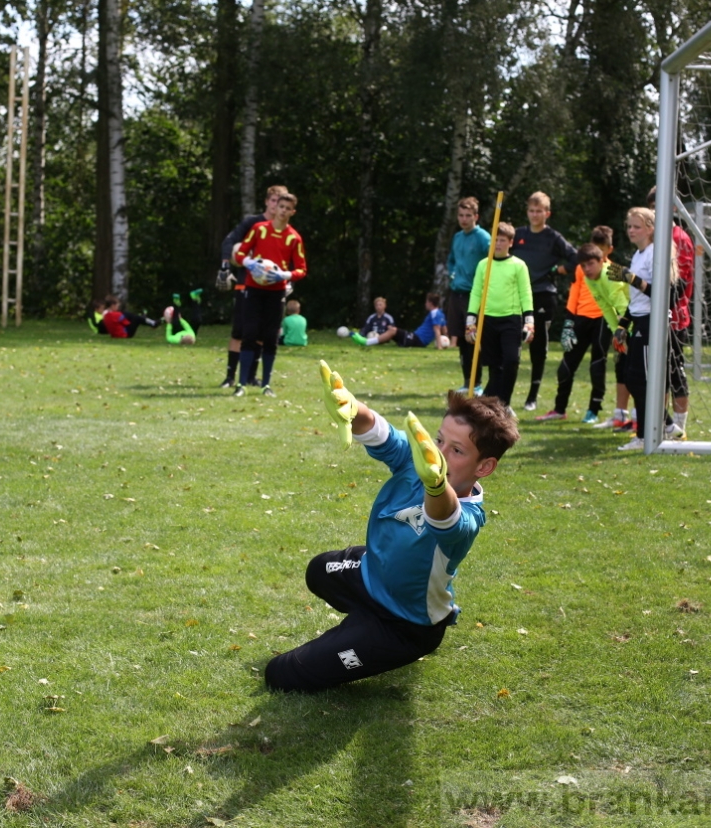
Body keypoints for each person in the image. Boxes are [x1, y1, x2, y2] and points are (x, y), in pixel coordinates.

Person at [264, 361, 520, 693]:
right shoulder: (420, 460)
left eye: (456, 451)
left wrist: (436, 485)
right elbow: (379, 431)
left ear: (484, 466)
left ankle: (364, 637)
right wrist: (351, 407)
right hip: (373, 575)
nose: (439, 455)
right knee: (317, 571)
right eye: (439, 440)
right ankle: (360, 624)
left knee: (282, 674)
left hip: (406, 626)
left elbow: (444, 516)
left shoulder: (467, 518)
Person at [606, 206, 685, 451]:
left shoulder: (655, 254)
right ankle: (667, 424)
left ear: (650, 229)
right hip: (639, 321)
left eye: (636, 226)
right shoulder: (638, 255)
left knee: (642, 379)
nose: (631, 230)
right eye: (629, 226)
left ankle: (647, 434)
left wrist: (631, 279)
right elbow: (637, 299)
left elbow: (664, 295)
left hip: (654, 322)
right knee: (632, 377)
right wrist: (623, 324)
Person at [535, 233, 627, 423]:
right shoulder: (583, 270)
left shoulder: (612, 272)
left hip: (603, 320)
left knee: (597, 365)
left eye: (602, 248)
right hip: (581, 319)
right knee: (566, 366)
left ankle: (593, 410)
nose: (587, 268)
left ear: (608, 251)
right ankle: (559, 409)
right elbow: (574, 294)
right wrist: (569, 322)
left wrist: (621, 329)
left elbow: (619, 305)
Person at [232, 193, 307, 397]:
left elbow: (302, 269)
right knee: (249, 334)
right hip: (254, 289)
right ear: (275, 208)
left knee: (270, 337)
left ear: (292, 212)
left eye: (287, 208)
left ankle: (266, 385)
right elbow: (239, 253)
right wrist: (248, 263)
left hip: (276, 292)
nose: (282, 210)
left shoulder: (294, 238)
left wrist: (285, 274)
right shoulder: (259, 229)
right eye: (280, 206)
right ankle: (241, 385)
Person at [219, 185, 288, 387]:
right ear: (267, 201)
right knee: (240, 332)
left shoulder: (285, 230)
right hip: (246, 285)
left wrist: (287, 278)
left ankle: (251, 377)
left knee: (263, 334)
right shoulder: (253, 223)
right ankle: (230, 377)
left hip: (273, 289)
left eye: (281, 202)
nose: (277, 206)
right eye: (274, 201)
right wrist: (225, 264)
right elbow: (230, 242)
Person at [513, 192, 577, 412]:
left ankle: (532, 396)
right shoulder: (518, 234)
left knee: (537, 346)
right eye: (531, 210)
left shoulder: (554, 238)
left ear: (547, 213)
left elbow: (576, 258)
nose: (534, 214)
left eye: (539, 211)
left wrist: (561, 270)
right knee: (511, 343)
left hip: (543, 294)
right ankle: (502, 395)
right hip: (516, 295)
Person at [465, 222, 534, 410]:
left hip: (511, 319)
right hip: (488, 319)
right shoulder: (483, 265)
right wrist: (471, 320)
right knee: (494, 366)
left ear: (510, 242)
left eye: (502, 240)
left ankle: (504, 402)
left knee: (511, 360)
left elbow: (526, 292)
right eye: (495, 239)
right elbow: (476, 292)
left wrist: (529, 320)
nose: (498, 244)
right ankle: (495, 405)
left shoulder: (518, 266)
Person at [648, 186, 694, 438]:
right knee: (656, 373)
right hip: (651, 318)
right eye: (653, 208)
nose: (657, 212)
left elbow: (683, 281)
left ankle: (680, 427)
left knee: (675, 371)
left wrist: (667, 309)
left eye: (662, 207)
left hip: (674, 319)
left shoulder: (680, 237)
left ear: (674, 209)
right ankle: (660, 425)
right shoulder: (651, 238)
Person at [445, 197, 490, 392]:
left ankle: (477, 383)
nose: (464, 219)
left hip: (475, 295)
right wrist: (452, 272)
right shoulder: (457, 237)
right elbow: (451, 260)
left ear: (476, 217)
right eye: (461, 215)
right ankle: (467, 382)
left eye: (468, 216)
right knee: (462, 339)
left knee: (474, 339)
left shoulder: (483, 237)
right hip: (457, 293)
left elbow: (493, 261)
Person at [362, 293, 448, 348]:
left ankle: (367, 342)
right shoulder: (440, 313)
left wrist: (439, 346)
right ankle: (377, 341)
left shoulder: (434, 313)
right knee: (392, 331)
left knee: (393, 330)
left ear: (430, 303)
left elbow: (437, 329)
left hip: (418, 340)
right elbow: (444, 330)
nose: (425, 304)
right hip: (415, 337)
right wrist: (446, 341)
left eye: (426, 302)